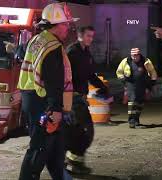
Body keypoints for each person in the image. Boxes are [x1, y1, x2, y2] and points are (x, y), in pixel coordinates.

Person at [18, 2, 77, 180]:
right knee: (40, 147)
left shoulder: (38, 39)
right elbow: (54, 82)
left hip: (32, 99)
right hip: (43, 104)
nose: (68, 27)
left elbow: (22, 55)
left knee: (55, 149)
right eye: (65, 24)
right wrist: (56, 109)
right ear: (57, 25)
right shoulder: (53, 47)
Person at [64, 26, 108, 174]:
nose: (91, 38)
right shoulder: (72, 52)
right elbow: (64, 76)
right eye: (88, 35)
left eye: (92, 36)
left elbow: (90, 74)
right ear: (80, 35)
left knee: (81, 133)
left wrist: (102, 87)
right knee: (84, 132)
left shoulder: (86, 53)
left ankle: (71, 162)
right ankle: (72, 163)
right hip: (72, 98)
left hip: (81, 98)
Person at [116, 48, 157, 128]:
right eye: (132, 56)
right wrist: (123, 80)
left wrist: (152, 82)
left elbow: (152, 72)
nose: (134, 58)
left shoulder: (146, 61)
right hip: (130, 83)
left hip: (142, 84)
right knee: (133, 101)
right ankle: (132, 121)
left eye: (135, 56)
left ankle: (136, 120)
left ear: (139, 55)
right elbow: (119, 72)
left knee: (140, 102)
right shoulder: (126, 61)